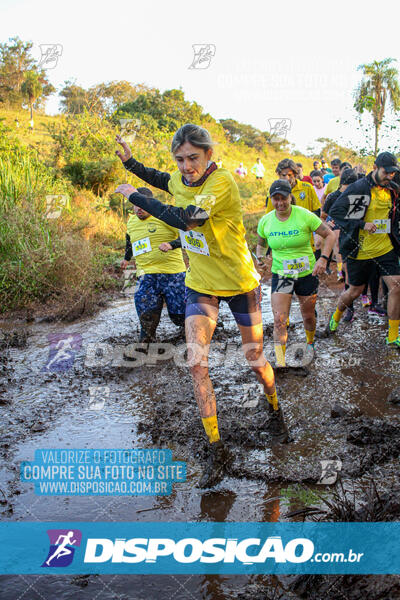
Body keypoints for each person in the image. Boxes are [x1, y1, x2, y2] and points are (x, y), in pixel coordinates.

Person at [114, 124, 287, 488]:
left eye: (193, 158)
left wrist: (138, 197)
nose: (186, 166)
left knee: (255, 359)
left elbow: (188, 218)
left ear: (209, 155)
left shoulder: (221, 183)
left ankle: (274, 408)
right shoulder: (180, 178)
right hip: (201, 283)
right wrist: (132, 164)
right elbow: (163, 179)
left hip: (239, 282)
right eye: (180, 159)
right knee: (196, 363)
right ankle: (216, 448)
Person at [256, 179, 335, 368]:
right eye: (275, 199)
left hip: (306, 274)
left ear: (290, 197)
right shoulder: (266, 220)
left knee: (308, 315)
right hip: (282, 275)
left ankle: (310, 343)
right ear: (271, 199)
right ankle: (281, 361)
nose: (280, 203)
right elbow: (260, 244)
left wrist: (323, 258)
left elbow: (330, 235)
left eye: (283, 198)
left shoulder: (304, 215)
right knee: (279, 319)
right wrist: (259, 257)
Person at [326, 152, 400, 347]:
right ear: (375, 167)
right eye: (386, 172)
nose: (389, 176)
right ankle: (335, 317)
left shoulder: (393, 190)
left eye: (393, 173)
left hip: (385, 248)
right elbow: (336, 212)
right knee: (355, 291)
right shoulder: (359, 188)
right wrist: (361, 223)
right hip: (360, 250)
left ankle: (393, 336)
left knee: (396, 286)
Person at [121, 187, 186, 342]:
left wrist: (172, 244)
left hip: (173, 273)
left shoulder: (166, 216)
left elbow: (189, 236)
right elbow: (130, 240)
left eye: (142, 204)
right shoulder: (131, 222)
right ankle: (146, 341)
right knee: (146, 309)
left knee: (179, 316)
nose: (139, 208)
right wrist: (126, 258)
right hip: (146, 273)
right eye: (135, 204)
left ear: (151, 203)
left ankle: (192, 331)